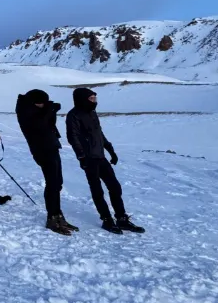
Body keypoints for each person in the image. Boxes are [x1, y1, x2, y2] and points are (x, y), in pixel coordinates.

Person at [66, 87, 145, 234]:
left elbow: (99, 134)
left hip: (100, 156)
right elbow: (73, 138)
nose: (95, 101)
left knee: (115, 187)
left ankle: (121, 219)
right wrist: (81, 157)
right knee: (97, 190)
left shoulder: (92, 113)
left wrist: (110, 150)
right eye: (91, 98)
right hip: (89, 159)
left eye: (95, 98)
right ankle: (107, 220)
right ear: (82, 99)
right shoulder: (73, 116)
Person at [15, 89, 78, 235]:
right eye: (40, 103)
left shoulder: (36, 110)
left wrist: (51, 111)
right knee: (52, 183)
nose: (43, 105)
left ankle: (58, 215)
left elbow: (49, 123)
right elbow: (40, 125)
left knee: (58, 182)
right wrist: (50, 109)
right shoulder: (25, 112)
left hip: (51, 146)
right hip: (42, 150)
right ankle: (52, 218)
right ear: (33, 102)